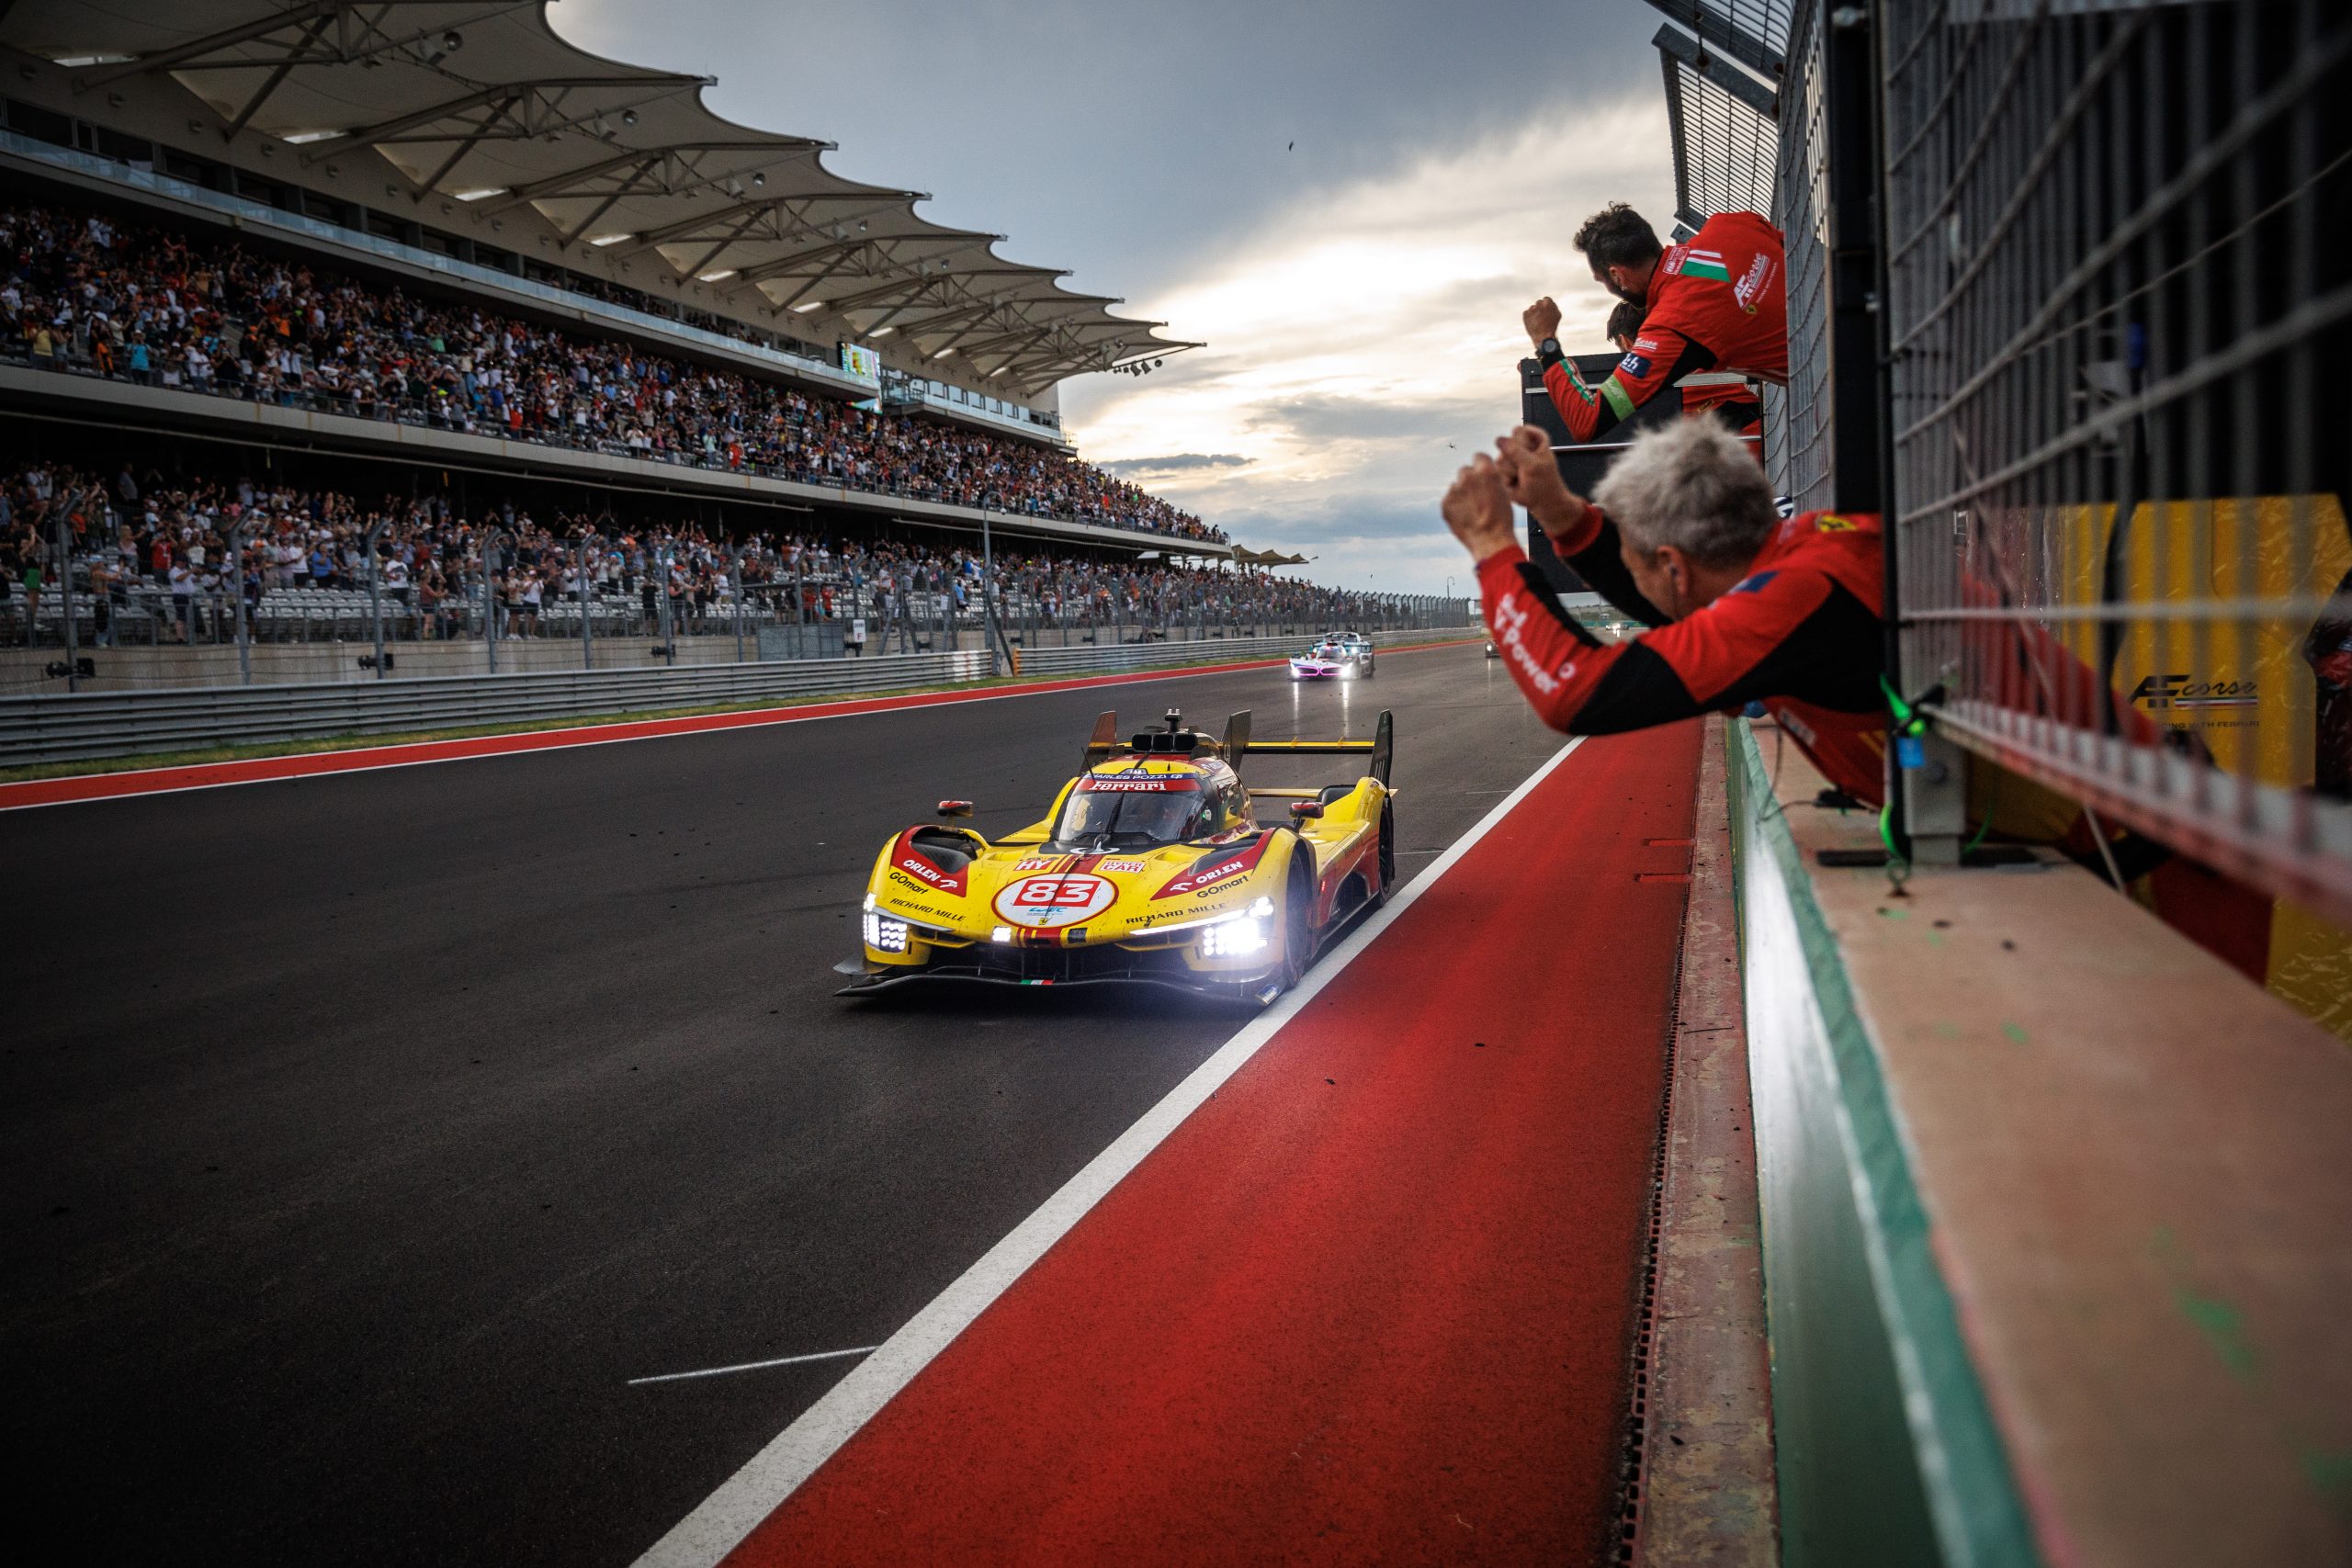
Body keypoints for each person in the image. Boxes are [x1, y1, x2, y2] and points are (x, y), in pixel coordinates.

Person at [1444, 417, 2275, 978]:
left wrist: (1492, 551)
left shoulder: (1788, 606)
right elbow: (1668, 612)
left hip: (2161, 876)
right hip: (2124, 840)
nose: (1637, 580)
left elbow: (1576, 694)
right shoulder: (1798, 568)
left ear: (1676, 565)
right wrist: (1556, 510)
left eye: (1634, 561)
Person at [1522, 203, 1785, 445]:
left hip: (1819, 373)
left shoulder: (1672, 324)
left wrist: (1546, 342)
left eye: (1601, 281)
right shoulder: (1728, 224)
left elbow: (1587, 420)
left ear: (1617, 276)